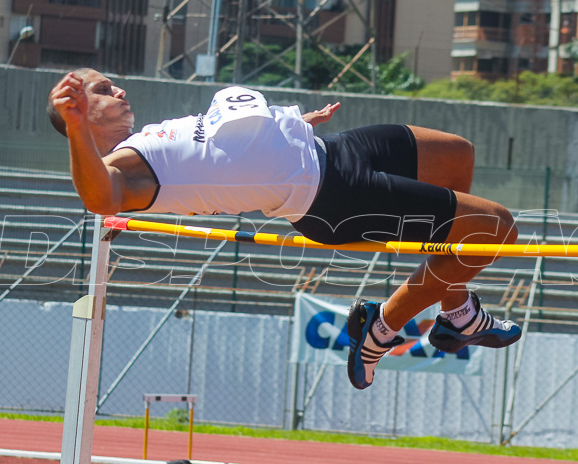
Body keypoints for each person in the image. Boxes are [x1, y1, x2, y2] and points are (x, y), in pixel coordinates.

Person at [47, 69, 521, 392]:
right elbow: (99, 199)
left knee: (457, 155)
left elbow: (231, 152)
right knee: (499, 228)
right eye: (104, 90)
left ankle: (457, 311)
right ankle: (382, 328)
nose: (120, 91)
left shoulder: (146, 138)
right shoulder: (127, 172)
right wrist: (74, 133)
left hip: (328, 149)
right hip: (331, 195)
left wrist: (289, 127)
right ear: (80, 114)